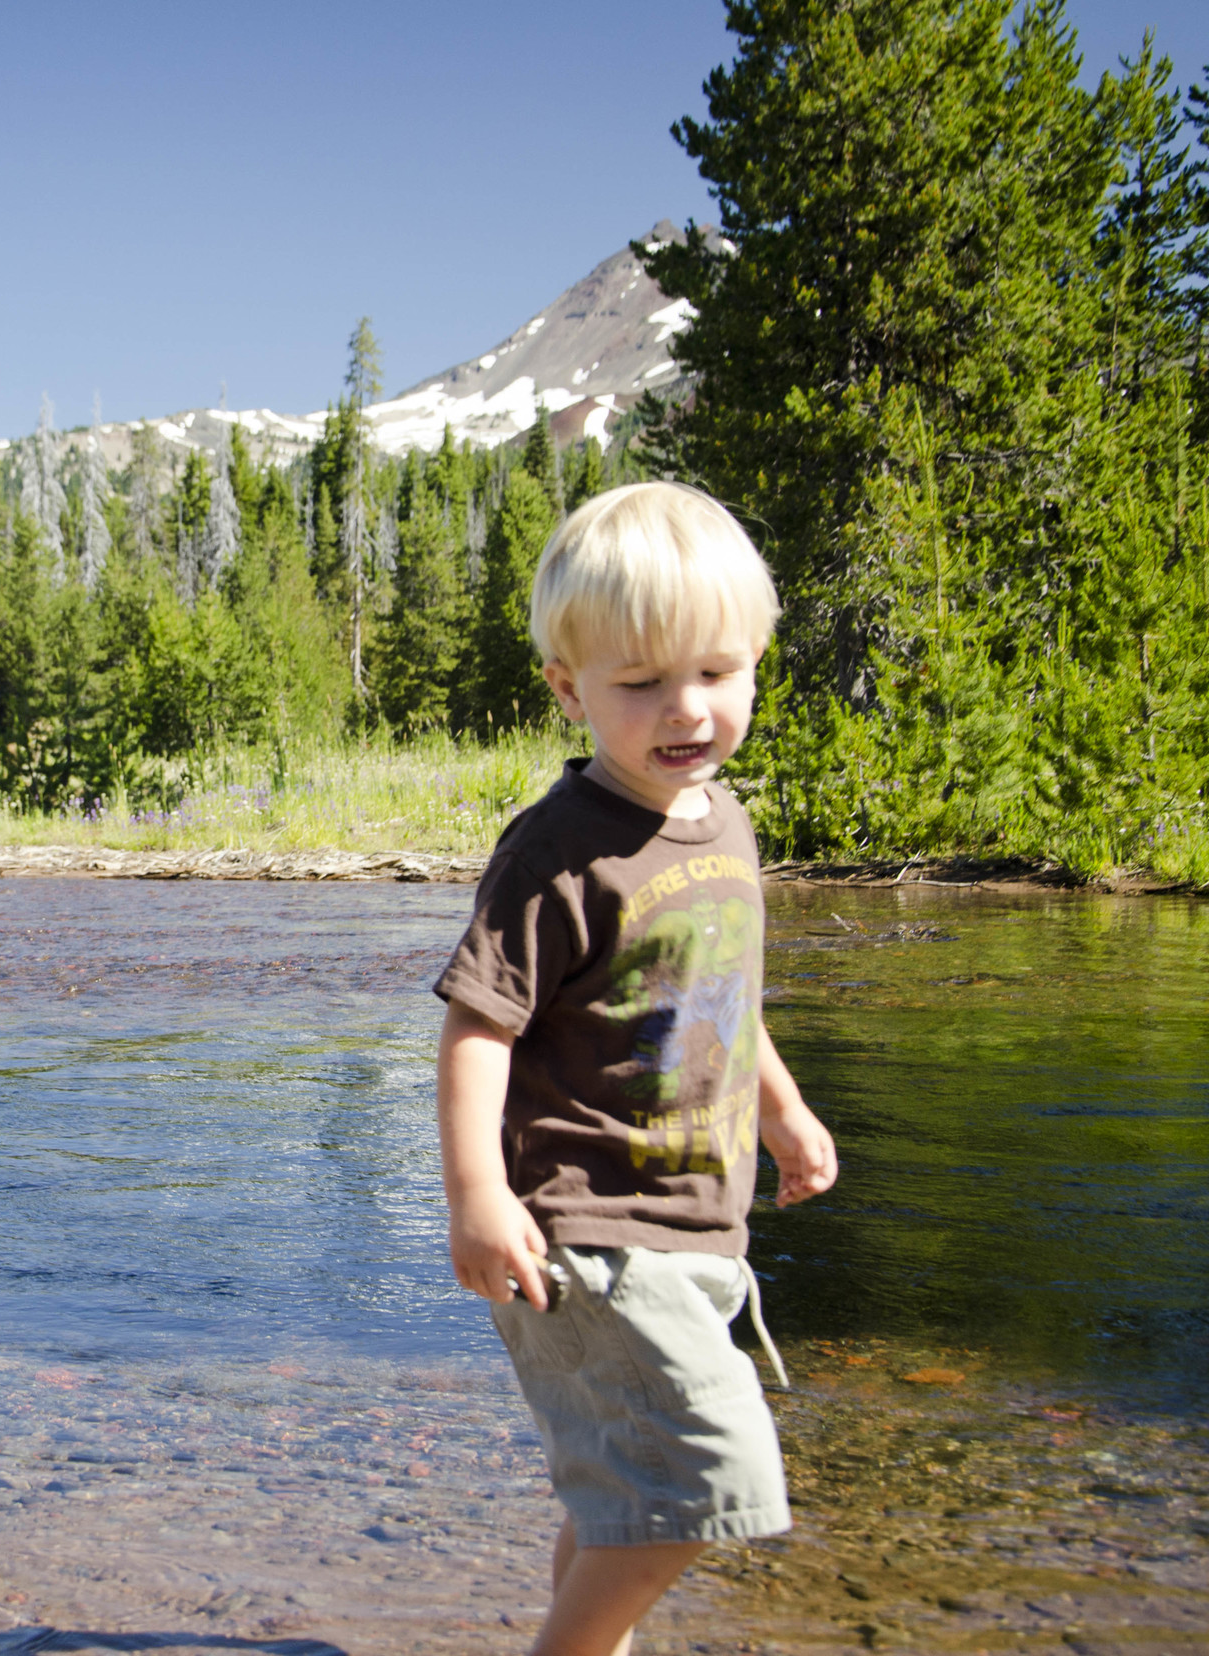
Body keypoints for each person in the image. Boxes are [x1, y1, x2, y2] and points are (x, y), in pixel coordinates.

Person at [432, 481, 838, 1656]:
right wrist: (476, 1197)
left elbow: (717, 1001)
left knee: (619, 1495)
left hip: (698, 1228)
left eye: (714, 673)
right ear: (568, 688)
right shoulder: (558, 851)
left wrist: (785, 1113)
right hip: (589, 1230)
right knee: (706, 1480)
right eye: (642, 683)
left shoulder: (722, 822)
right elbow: (475, 1027)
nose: (686, 710)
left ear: (757, 661)